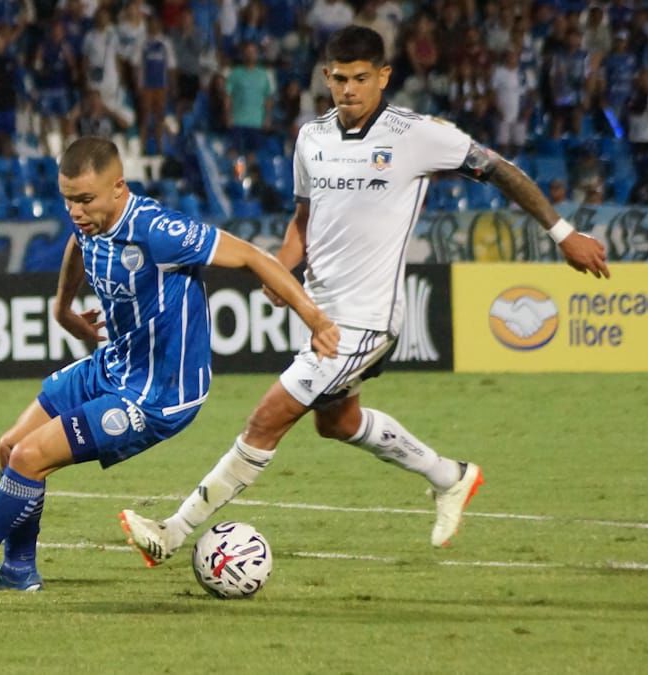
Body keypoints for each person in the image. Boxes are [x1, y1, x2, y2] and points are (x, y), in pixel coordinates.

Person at [118, 26, 611, 567]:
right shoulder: (312, 138)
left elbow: (498, 169)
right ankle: (451, 476)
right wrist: (283, 271)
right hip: (321, 314)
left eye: (359, 78)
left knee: (265, 420)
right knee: (337, 422)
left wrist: (563, 234)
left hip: (366, 322)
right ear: (325, 78)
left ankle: (170, 531)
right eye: (337, 79)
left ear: (383, 77)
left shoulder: (417, 135)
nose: (347, 89)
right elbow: (303, 221)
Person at [0, 136, 339, 596]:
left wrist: (315, 319)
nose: (75, 211)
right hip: (113, 365)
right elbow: (77, 247)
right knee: (11, 447)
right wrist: (63, 310)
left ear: (118, 187)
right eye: (67, 200)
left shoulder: (158, 231)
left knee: (29, 458)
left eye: (85, 199)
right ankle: (19, 571)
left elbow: (252, 256)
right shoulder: (90, 221)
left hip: (158, 394)